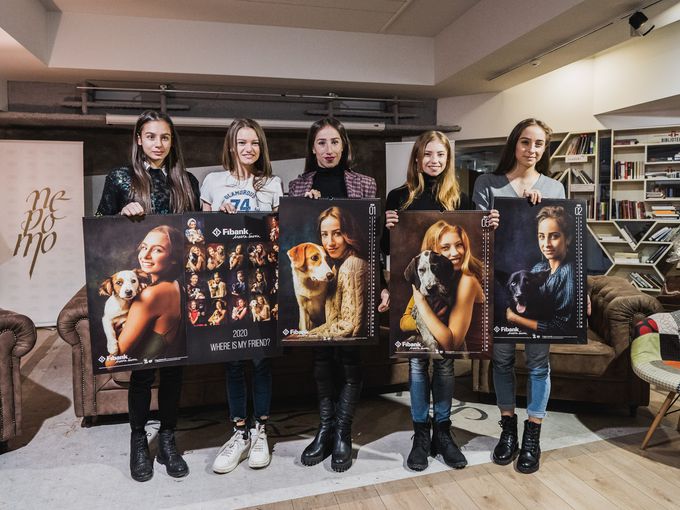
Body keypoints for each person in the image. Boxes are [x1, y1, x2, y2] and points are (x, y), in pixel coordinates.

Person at [383, 130, 497, 472]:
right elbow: (386, 250)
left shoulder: (461, 200)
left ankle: (443, 433)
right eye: (428, 154)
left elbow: (481, 245)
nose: (434, 161)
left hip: (450, 299)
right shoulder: (398, 197)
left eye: (441, 155)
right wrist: (386, 227)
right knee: (418, 365)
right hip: (420, 297)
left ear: (448, 160)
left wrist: (490, 225)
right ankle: (421, 434)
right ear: (417, 158)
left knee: (446, 365)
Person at [96, 110, 199, 482]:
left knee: (174, 372)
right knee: (141, 373)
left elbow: (195, 232)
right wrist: (121, 213)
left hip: (178, 291)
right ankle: (138, 440)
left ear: (172, 141)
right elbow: (99, 227)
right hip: (139, 292)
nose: (158, 143)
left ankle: (168, 438)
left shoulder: (186, 180)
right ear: (139, 139)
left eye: (165, 137)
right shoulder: (120, 178)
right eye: (151, 136)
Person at [472, 118, 564, 474]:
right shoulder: (487, 184)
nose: (532, 149)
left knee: (539, 363)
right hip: (501, 290)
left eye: (539, 144)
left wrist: (541, 212)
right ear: (514, 143)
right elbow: (474, 241)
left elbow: (564, 244)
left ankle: (532, 436)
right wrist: (487, 224)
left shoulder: (554, 187)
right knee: (503, 361)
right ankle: (508, 429)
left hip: (541, 292)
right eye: (526, 142)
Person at [288, 117, 377, 472]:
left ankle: (343, 432)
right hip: (320, 284)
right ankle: (325, 429)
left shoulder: (364, 183)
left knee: (350, 359)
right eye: (322, 143)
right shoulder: (298, 186)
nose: (329, 150)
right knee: (322, 361)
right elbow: (292, 227)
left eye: (335, 142)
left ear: (344, 145)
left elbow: (373, 239)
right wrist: (304, 203)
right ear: (313, 148)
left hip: (352, 278)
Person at [200, 118, 282, 474]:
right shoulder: (213, 182)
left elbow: (278, 235)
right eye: (242, 142)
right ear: (231, 146)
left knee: (261, 360)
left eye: (255, 143)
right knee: (233, 361)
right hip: (227, 284)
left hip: (262, 284)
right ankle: (239, 432)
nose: (249, 149)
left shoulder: (272, 184)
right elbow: (203, 236)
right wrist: (219, 219)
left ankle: (261, 429)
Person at [506, 206, 575, 335]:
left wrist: (515, 318)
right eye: (542, 236)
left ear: (568, 238)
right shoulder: (539, 267)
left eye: (554, 236)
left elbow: (563, 327)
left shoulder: (569, 273)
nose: (546, 244)